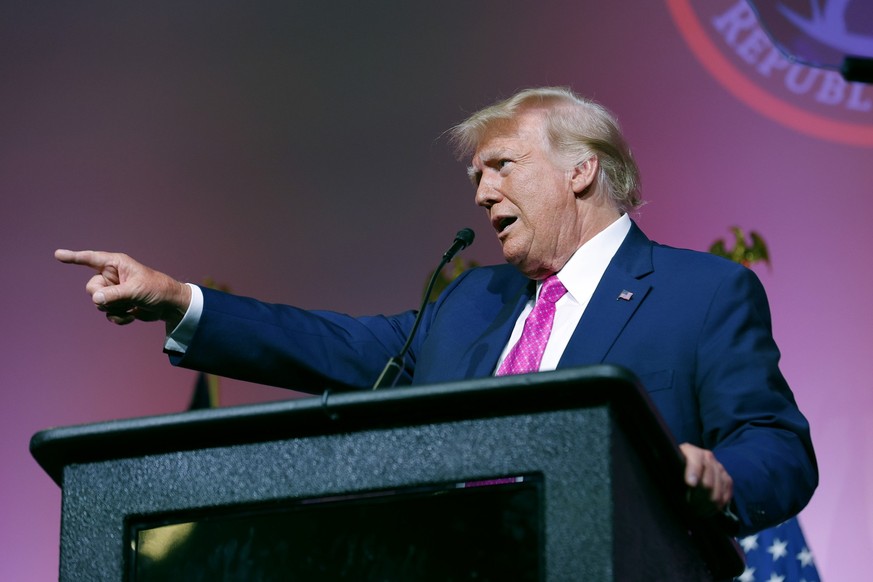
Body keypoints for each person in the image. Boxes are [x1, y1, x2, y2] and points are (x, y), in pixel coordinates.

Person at [55, 87, 816, 536]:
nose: (481, 194)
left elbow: (778, 446)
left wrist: (716, 477)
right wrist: (177, 299)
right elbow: (337, 347)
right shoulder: (470, 300)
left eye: (500, 167)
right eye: (474, 176)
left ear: (581, 170)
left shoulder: (701, 292)